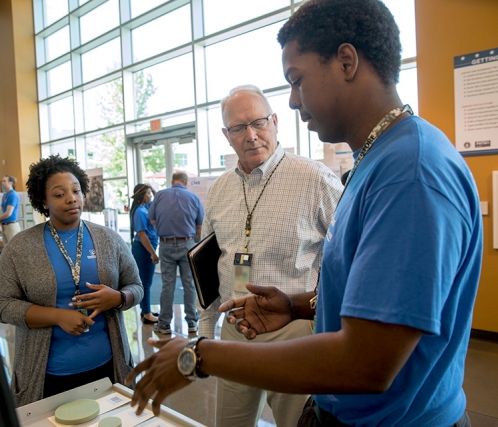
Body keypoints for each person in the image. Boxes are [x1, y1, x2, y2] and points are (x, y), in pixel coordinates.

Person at [125, 1, 483, 426]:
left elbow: (365, 362)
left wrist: (200, 354)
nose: (294, 101)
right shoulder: (377, 160)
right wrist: (297, 305)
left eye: (297, 80)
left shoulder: (410, 173)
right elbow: (365, 292)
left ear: (346, 62)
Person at [197, 84, 343, 427]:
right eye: (238, 128)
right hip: (234, 330)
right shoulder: (219, 190)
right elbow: (208, 263)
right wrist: (205, 329)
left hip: (294, 332)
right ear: (226, 135)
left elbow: (347, 258)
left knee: (299, 424)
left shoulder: (315, 179)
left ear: (275, 121)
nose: (251, 135)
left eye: (259, 123)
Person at [0, 155, 143, 406]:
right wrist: (57, 316)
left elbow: (136, 287)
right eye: (59, 194)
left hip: (108, 368)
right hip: (46, 376)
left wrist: (117, 298)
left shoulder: (109, 239)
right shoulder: (21, 246)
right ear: (43, 200)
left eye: (76, 191)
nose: (72, 199)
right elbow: (2, 305)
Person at [146, 171, 204, 335]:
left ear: (172, 181)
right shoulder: (193, 197)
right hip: (187, 243)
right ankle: (192, 322)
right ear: (186, 182)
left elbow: (153, 220)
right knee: (189, 284)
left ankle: (164, 324)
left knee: (167, 285)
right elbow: (199, 226)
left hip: (166, 245)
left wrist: (166, 231)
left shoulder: (160, 196)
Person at [129, 183, 160, 324]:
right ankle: (146, 313)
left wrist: (152, 189)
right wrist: (153, 253)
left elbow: (156, 202)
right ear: (142, 196)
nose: (150, 196)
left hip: (145, 249)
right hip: (143, 250)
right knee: (145, 282)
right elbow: (142, 235)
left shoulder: (144, 208)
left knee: (146, 281)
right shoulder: (139, 212)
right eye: (148, 193)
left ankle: (145, 310)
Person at [0, 174, 21, 244]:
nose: (2, 183)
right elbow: (1, 210)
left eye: (4, 181)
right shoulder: (5, 195)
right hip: (4, 225)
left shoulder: (13, 195)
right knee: (6, 250)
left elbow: (8, 213)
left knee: (14, 249)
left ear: (10, 183)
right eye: (2, 181)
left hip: (11, 226)